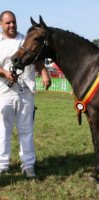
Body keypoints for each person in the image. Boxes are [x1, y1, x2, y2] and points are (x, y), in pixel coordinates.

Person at [0, 11, 51, 178]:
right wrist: (5, 74)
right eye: (8, 23)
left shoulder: (26, 38)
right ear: (1, 24)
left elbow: (37, 58)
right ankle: (2, 164)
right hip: (4, 92)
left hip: (26, 91)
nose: (12, 25)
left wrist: (44, 73)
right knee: (3, 130)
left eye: (13, 22)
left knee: (26, 130)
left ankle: (28, 165)